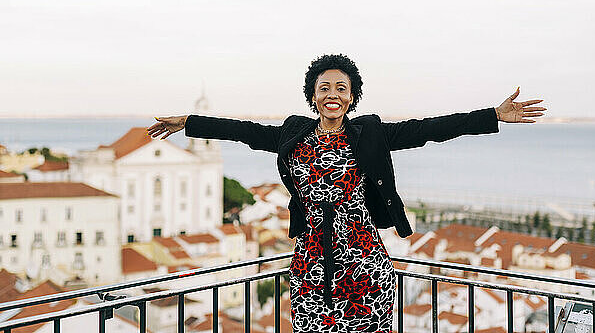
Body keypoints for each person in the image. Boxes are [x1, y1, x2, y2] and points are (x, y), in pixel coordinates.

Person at [146, 54, 545, 332]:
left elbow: (428, 129)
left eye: (341, 86)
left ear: (352, 96)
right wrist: (188, 122)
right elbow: (244, 131)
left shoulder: (370, 133)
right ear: (313, 96)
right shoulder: (292, 133)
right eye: (324, 87)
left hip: (364, 263)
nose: (332, 92)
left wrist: (492, 115)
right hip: (310, 265)